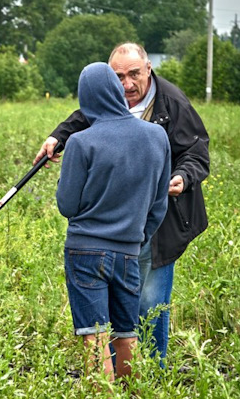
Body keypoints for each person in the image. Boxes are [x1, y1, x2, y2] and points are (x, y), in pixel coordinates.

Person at [36, 42, 209, 361]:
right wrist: (57, 137)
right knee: (125, 327)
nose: (127, 84)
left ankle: (150, 377)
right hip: (132, 232)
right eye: (118, 77)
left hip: (156, 229)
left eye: (134, 74)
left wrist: (182, 177)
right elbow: (86, 116)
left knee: (148, 306)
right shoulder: (107, 107)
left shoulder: (172, 104)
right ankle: (127, 393)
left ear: (149, 70)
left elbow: (197, 152)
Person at [56, 63, 169, 380]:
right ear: (117, 91)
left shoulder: (81, 142)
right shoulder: (156, 136)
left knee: (95, 336)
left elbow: (67, 205)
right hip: (129, 252)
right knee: (126, 334)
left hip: (85, 252)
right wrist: (136, 237)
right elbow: (159, 202)